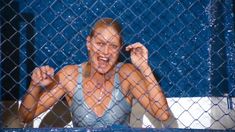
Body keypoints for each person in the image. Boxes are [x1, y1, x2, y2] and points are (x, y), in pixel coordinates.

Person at [19, 18, 170, 128]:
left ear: (120, 49)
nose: (105, 52)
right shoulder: (70, 76)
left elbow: (162, 114)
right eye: (100, 43)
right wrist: (35, 85)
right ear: (88, 43)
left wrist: (144, 68)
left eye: (113, 46)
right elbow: (25, 116)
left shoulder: (126, 74)